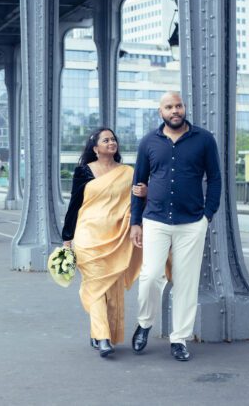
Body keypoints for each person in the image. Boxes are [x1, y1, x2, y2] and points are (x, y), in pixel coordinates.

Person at [129, 91, 221, 362]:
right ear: (161, 112)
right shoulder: (148, 142)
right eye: (169, 107)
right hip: (155, 219)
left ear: (184, 108)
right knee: (150, 277)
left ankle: (179, 339)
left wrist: (208, 215)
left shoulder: (203, 140)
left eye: (178, 105)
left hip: (192, 223)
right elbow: (137, 185)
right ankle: (145, 323)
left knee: (186, 283)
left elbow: (215, 178)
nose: (175, 110)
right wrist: (136, 222)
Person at [62, 127, 143, 358]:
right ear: (95, 148)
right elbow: (74, 206)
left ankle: (102, 333)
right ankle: (103, 337)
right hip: (88, 236)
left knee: (113, 288)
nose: (111, 142)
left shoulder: (128, 173)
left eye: (113, 139)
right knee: (95, 286)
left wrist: (143, 194)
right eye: (106, 140)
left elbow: (137, 201)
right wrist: (67, 240)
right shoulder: (84, 172)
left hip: (117, 236)